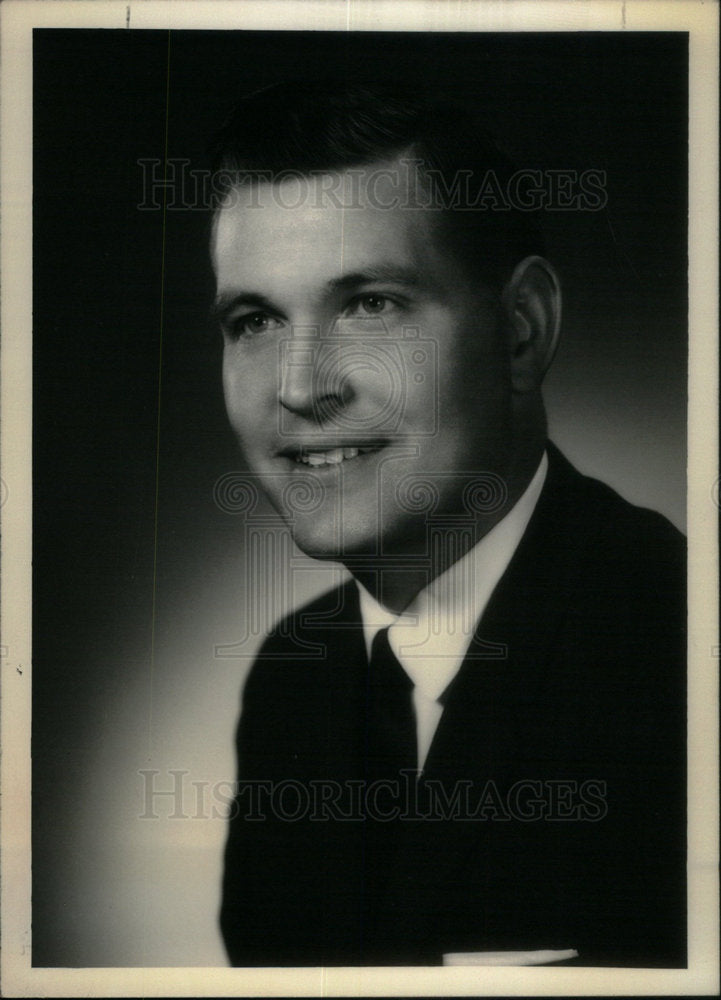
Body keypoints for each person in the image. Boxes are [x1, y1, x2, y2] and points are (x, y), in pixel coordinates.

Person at [209, 82, 686, 967]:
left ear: (520, 330)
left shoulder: (681, 643)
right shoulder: (290, 683)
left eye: (371, 305)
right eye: (256, 320)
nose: (301, 387)